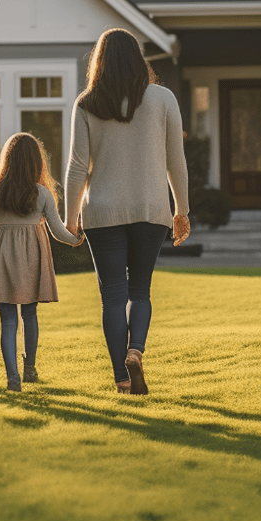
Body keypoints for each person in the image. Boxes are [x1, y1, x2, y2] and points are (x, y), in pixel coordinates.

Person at [64, 28, 191, 395]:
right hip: (151, 210)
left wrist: (72, 219)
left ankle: (121, 379)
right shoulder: (163, 99)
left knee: (113, 297)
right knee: (141, 291)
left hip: (102, 213)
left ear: (99, 62)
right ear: (139, 59)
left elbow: (76, 168)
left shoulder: (87, 103)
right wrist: (181, 210)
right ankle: (136, 351)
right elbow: (176, 161)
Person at [0, 133, 82, 393]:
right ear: (35, 162)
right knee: (29, 314)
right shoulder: (42, 194)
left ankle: (12, 377)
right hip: (31, 258)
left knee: (7, 320)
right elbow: (57, 231)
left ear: (8, 160)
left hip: (3, 257)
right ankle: (30, 369)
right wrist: (77, 238)